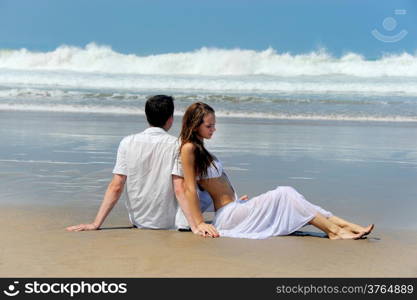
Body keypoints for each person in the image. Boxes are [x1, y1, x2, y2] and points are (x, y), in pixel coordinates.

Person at [173, 102, 375, 240]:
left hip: (236, 206)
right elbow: (189, 188)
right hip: (228, 216)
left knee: (293, 196)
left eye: (214, 125)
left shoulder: (201, 148)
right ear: (195, 125)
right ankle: (334, 231)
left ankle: (345, 226)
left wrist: (237, 200)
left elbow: (220, 184)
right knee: (285, 194)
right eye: (209, 125)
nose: (214, 129)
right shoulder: (188, 148)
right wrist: (199, 224)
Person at [66, 95, 218, 237]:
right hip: (169, 221)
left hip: (139, 221)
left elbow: (116, 186)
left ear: (147, 117)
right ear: (170, 119)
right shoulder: (178, 145)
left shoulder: (127, 142)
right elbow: (180, 188)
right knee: (203, 185)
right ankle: (230, 206)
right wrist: (196, 226)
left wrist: (96, 223)